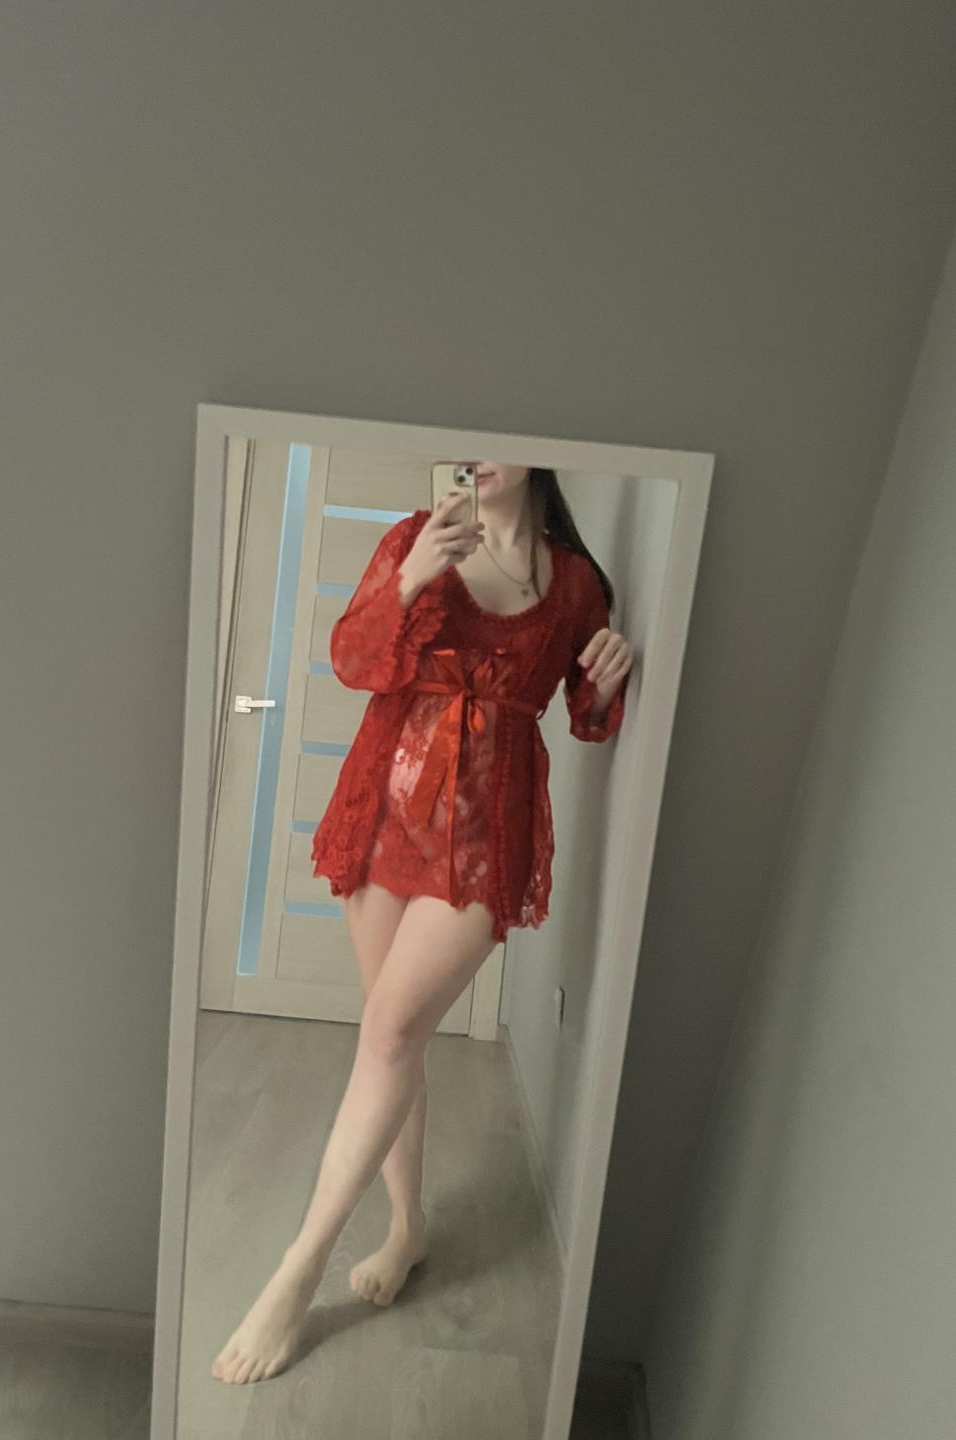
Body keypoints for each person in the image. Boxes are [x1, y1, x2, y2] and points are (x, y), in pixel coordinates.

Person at [212, 463, 634, 1386]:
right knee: (389, 1038)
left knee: (392, 1034)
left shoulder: (575, 584)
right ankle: (406, 1230)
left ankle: (298, 1270)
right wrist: (407, 581)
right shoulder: (414, 537)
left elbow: (583, 716)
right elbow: (354, 662)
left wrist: (604, 686)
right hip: (385, 805)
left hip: (483, 833)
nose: (478, 452)